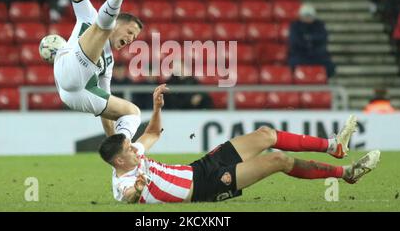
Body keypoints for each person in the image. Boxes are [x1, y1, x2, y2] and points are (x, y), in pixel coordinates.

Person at [99, 85, 381, 204]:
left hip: (200, 168)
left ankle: (334, 146)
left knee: (266, 135)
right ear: (119, 162)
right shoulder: (123, 180)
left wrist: (156, 106)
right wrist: (136, 191)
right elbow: (128, 197)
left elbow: (154, 133)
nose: (135, 150)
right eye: (129, 151)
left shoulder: (133, 153)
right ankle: (346, 173)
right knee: (278, 160)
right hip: (205, 187)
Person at [49, 0, 143, 140]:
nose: (130, 39)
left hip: (73, 95)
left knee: (133, 114)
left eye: (134, 38)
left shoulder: (108, 64)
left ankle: (121, 154)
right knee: (100, 26)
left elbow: (105, 103)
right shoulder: (88, 15)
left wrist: (112, 141)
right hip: (66, 67)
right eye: (130, 32)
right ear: (119, 22)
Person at [288, 3, 336, 78]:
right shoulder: (295, 26)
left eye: (309, 16)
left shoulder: (319, 25)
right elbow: (295, 41)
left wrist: (307, 39)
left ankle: (322, 80)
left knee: (330, 66)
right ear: (300, 16)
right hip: (300, 54)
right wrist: (310, 41)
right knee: (292, 64)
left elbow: (323, 38)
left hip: (316, 54)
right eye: (305, 16)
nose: (307, 18)